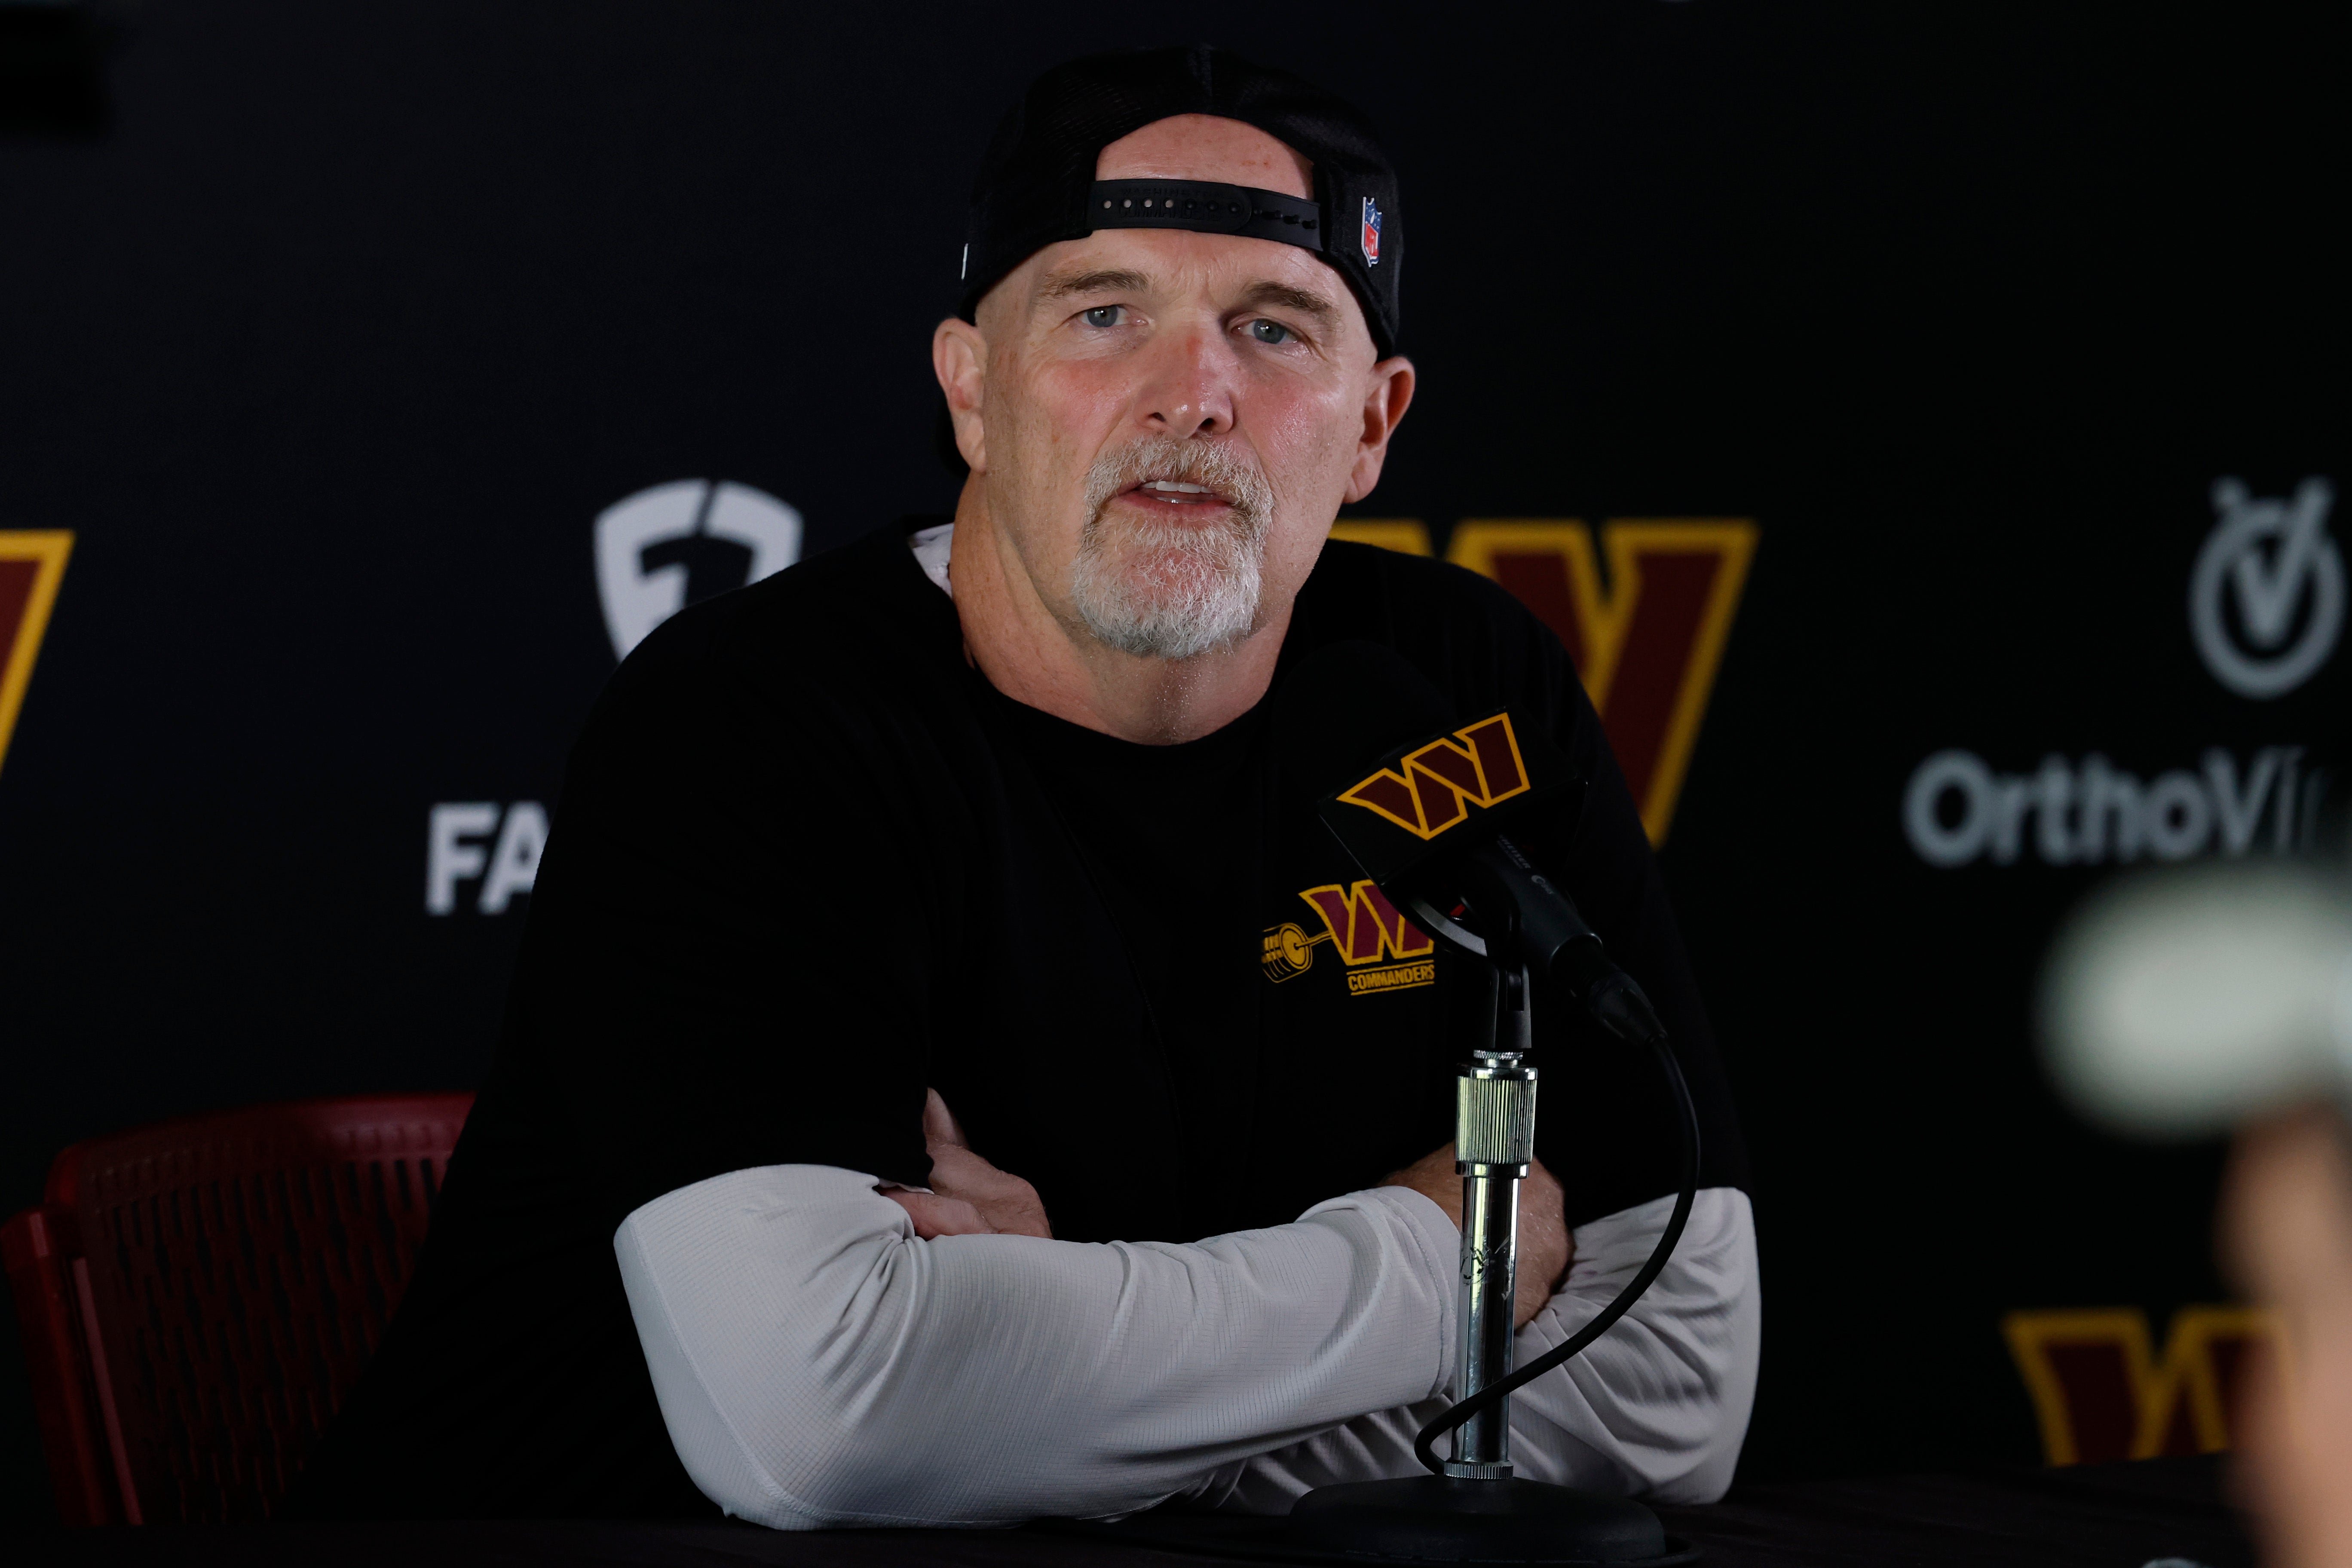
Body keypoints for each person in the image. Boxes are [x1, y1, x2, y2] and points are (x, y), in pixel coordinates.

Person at [293, 43, 1760, 1527]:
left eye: (1273, 327)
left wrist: (1052, 1396)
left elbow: (1674, 1390)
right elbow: (831, 1424)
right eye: (1105, 313)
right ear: (973, 390)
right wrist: (1434, 1267)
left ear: (1373, 424)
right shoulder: (757, 719)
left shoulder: (1464, 683)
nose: (1193, 396)